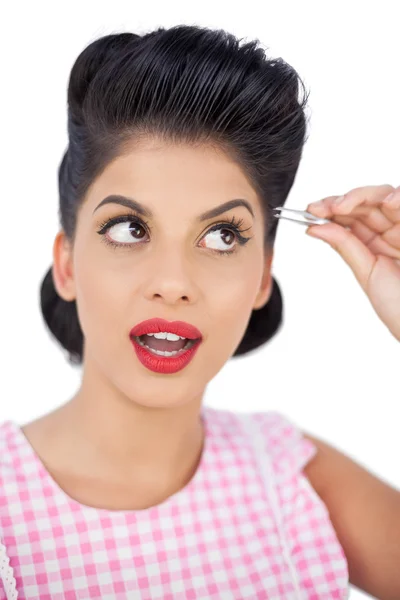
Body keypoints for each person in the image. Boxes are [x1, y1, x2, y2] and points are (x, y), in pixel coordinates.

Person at [0, 23, 399, 600]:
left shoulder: (290, 474)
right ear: (66, 264)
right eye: (129, 228)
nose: (172, 283)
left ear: (263, 275)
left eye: (220, 236)